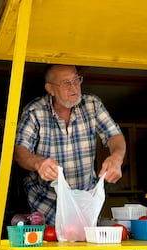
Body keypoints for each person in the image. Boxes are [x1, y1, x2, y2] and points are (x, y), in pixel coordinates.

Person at [13, 64, 126, 226]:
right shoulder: (35, 111)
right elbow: (20, 152)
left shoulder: (92, 105)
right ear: (50, 89)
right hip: (45, 202)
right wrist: (39, 163)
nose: (74, 87)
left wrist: (116, 157)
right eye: (66, 83)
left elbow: (114, 136)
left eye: (76, 80)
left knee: (85, 248)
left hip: (85, 200)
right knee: (52, 248)